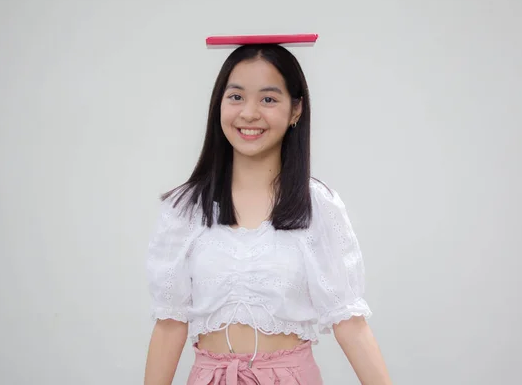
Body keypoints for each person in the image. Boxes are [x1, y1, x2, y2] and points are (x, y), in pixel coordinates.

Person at [144, 43, 392, 385]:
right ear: (219, 104)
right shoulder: (186, 207)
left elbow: (349, 321)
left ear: (296, 110)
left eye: (268, 99)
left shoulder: (317, 204)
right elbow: (170, 324)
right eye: (236, 97)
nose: (249, 113)